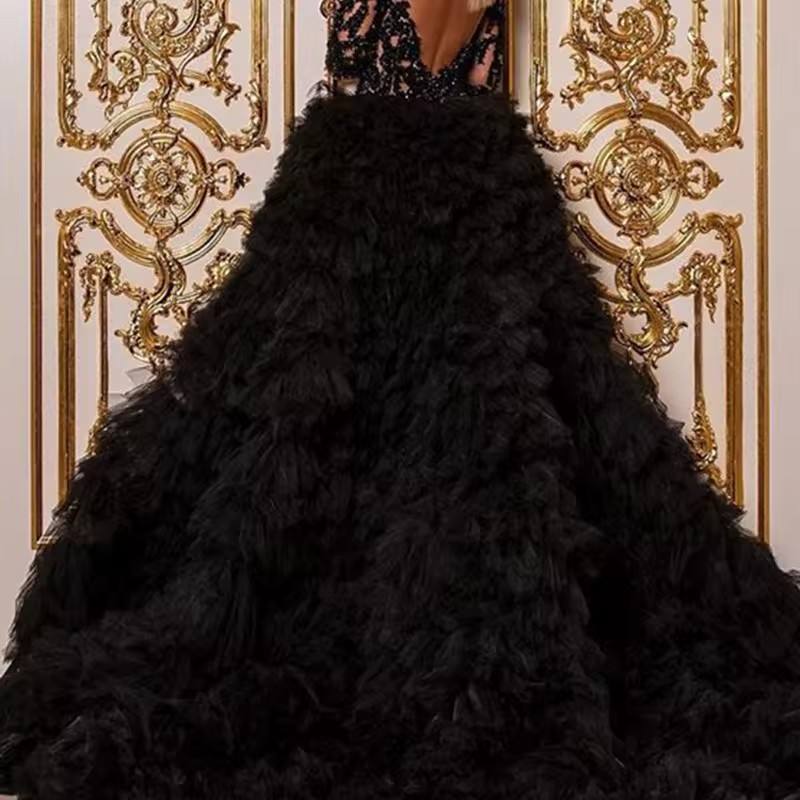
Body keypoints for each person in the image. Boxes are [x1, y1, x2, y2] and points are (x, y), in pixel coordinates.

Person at [2, 1, 799, 797]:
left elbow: (350, 72)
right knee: (472, 427)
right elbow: (476, 71)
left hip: (361, 181)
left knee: (316, 422)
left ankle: (361, 647)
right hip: (476, 176)